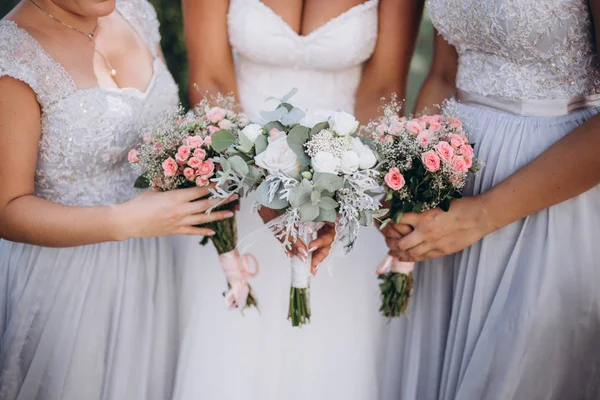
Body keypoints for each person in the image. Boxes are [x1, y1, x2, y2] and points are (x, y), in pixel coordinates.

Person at [173, 1, 423, 399]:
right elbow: (212, 79)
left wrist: (338, 192)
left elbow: (383, 90)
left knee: (335, 358)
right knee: (231, 353)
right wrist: (259, 183)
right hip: (240, 178)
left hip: (347, 181)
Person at [0, 0, 236, 398]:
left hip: (159, 262)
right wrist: (125, 222)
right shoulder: (14, 55)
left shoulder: (136, 11)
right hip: (70, 283)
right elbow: (8, 210)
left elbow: (168, 132)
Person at [380, 0, 600, 399]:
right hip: (450, 186)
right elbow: (445, 75)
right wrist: (411, 189)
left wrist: (481, 215)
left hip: (550, 192)